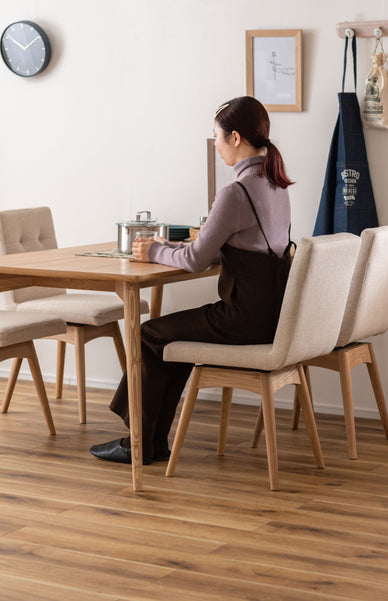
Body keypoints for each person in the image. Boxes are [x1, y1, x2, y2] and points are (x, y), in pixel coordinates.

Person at [90, 96, 294, 465]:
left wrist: (153, 251)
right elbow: (239, 248)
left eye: (216, 137)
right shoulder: (275, 184)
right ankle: (151, 441)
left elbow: (196, 260)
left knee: (147, 334)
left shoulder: (236, 192)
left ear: (235, 138)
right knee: (169, 339)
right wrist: (171, 245)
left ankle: (137, 441)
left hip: (242, 318)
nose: (215, 145)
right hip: (272, 314)